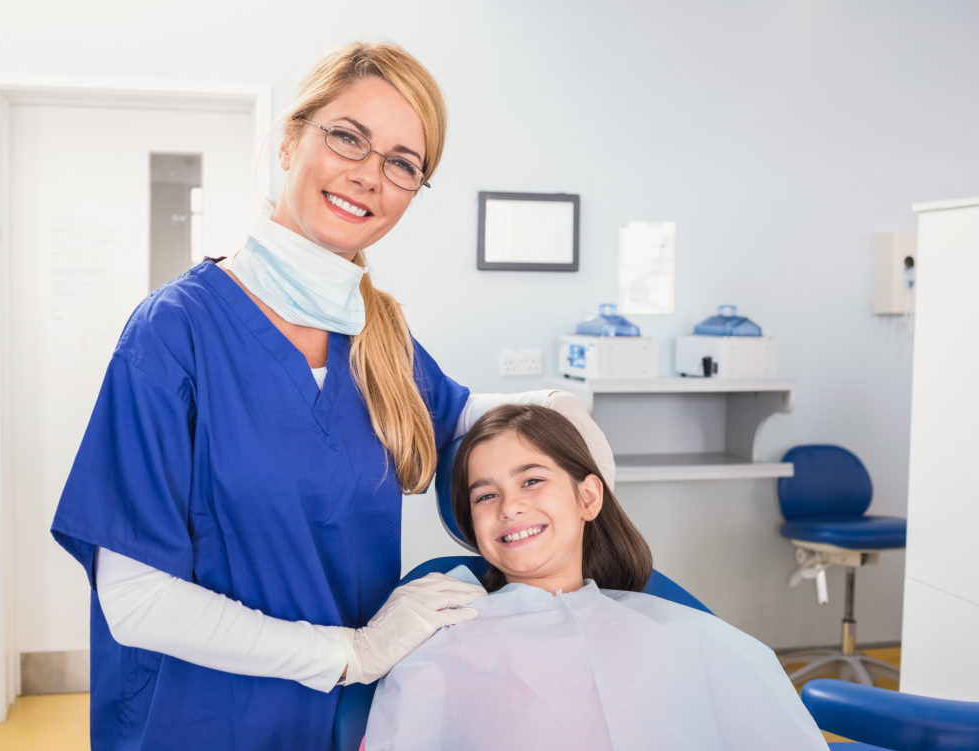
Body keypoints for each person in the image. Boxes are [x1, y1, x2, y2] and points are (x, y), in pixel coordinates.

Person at [50, 43, 610, 751]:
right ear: (289, 141)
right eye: (349, 137)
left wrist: (563, 409)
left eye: (402, 163)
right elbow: (136, 601)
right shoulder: (173, 332)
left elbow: (471, 418)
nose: (369, 176)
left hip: (343, 725)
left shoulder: (379, 334)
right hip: (198, 722)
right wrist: (353, 653)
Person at [364, 405, 829, 750]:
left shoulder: (684, 633)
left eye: (531, 480)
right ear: (472, 525)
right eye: (485, 495)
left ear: (588, 498)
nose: (510, 507)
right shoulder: (440, 637)